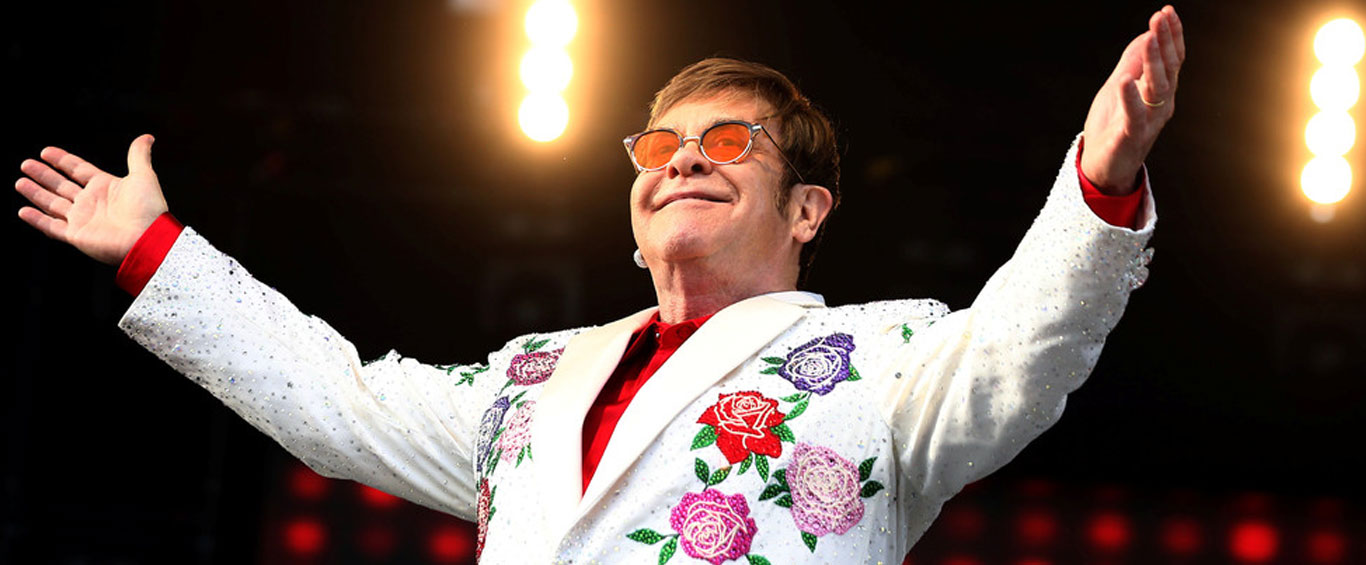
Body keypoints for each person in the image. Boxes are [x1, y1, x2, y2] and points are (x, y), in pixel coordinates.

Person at [13, 6, 1183, 563]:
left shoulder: (883, 359)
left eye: (729, 144)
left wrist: (1099, 177)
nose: (683, 159)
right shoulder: (532, 377)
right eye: (661, 144)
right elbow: (338, 401)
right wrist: (157, 250)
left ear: (807, 210)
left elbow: (1024, 347)